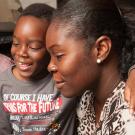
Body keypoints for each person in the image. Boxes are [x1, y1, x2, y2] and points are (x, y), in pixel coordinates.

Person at [46, 0, 135, 134]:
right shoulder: (86, 100)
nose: (50, 66)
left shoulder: (130, 115)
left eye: (59, 56)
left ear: (100, 49)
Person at [0, 3, 77, 135]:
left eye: (34, 47)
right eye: (16, 43)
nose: (21, 53)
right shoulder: (3, 83)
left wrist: (127, 74)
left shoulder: (64, 80)